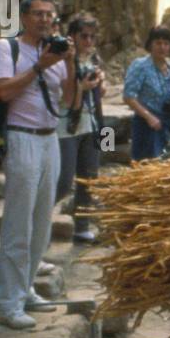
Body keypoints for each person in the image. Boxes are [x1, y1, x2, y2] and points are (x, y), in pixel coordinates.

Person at [0, 0, 76, 330]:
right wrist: (40, 67)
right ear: (24, 18)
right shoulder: (6, 48)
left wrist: (69, 62)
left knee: (42, 221)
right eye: (38, 14)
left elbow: (68, 101)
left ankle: (25, 289)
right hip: (21, 135)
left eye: (50, 16)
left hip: (49, 138)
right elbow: (5, 91)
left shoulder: (54, 53)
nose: (44, 21)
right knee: (18, 223)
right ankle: (8, 303)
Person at [56, 13, 106, 243]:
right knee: (64, 180)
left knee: (90, 177)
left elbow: (100, 99)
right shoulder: (64, 61)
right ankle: (42, 219)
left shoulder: (94, 60)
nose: (88, 41)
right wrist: (83, 87)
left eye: (92, 37)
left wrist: (98, 87)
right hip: (67, 126)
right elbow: (65, 99)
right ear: (73, 37)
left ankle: (82, 225)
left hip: (92, 124)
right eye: (83, 36)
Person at [123, 26, 170, 161]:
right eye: (158, 43)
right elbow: (128, 96)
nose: (162, 47)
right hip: (147, 124)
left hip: (167, 123)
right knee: (148, 167)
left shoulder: (169, 68)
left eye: (166, 43)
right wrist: (149, 117)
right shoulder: (140, 66)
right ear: (150, 44)